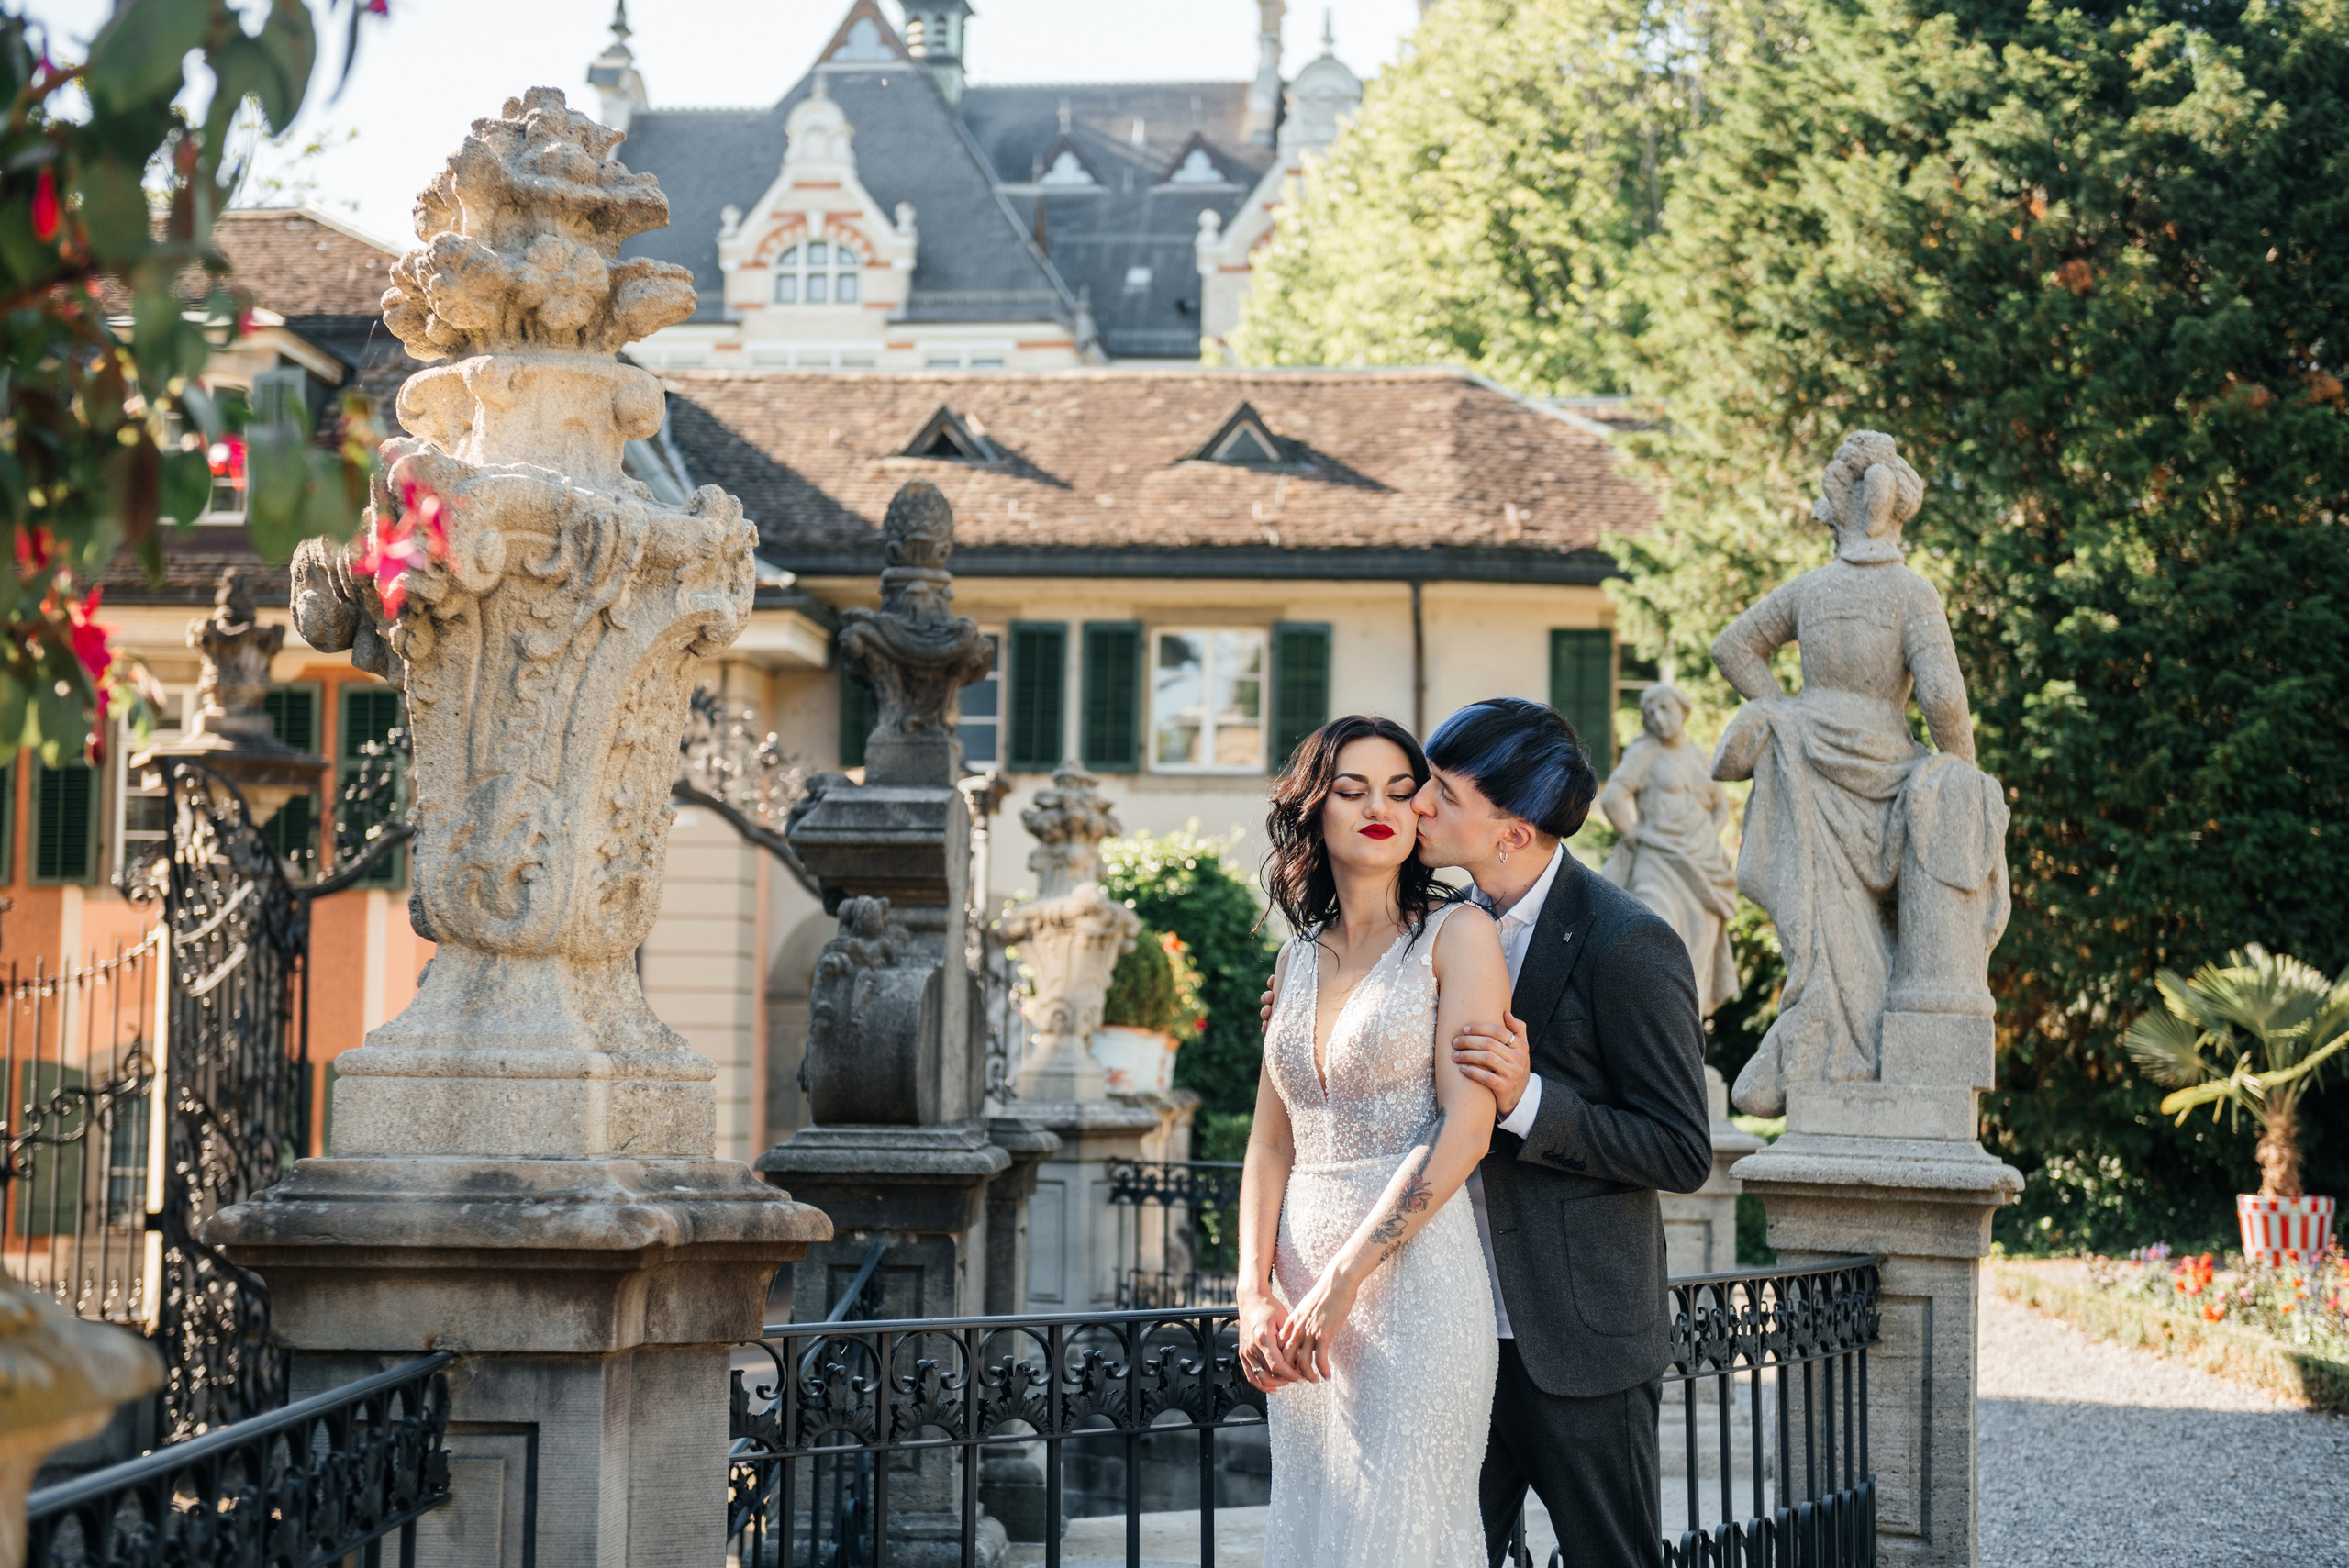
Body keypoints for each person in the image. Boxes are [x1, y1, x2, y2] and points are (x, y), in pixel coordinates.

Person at [1262, 697, 1712, 1567]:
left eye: (1440, 793)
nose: (1415, 805)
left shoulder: (1629, 943)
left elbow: (1683, 1148)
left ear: (1512, 831)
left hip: (1572, 1337)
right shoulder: (1432, 926)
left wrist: (1532, 1099)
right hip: (1434, 1322)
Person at [1236, 714, 1513, 1567]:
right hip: (1298, 1295)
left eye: (1401, 790)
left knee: (1400, 1539)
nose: (1379, 808)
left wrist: (1344, 1279)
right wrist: (1253, 1293)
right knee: (1319, 1535)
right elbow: (1270, 1144)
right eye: (1351, 791)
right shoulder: (1295, 957)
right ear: (1315, 810)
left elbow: (1466, 1131)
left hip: (1415, 1292)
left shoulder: (1458, 936)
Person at [1599, 682, 1741, 1019]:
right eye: (1650, 714)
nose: (1659, 719)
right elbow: (1613, 795)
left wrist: (1705, 837)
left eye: (1665, 709)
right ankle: (1650, 1026)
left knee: (1697, 954)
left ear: (1682, 710)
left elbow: (1721, 806)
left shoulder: (1696, 756)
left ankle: (1688, 1045)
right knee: (1656, 935)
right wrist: (1632, 833)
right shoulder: (1644, 752)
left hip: (1701, 865)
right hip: (1658, 859)